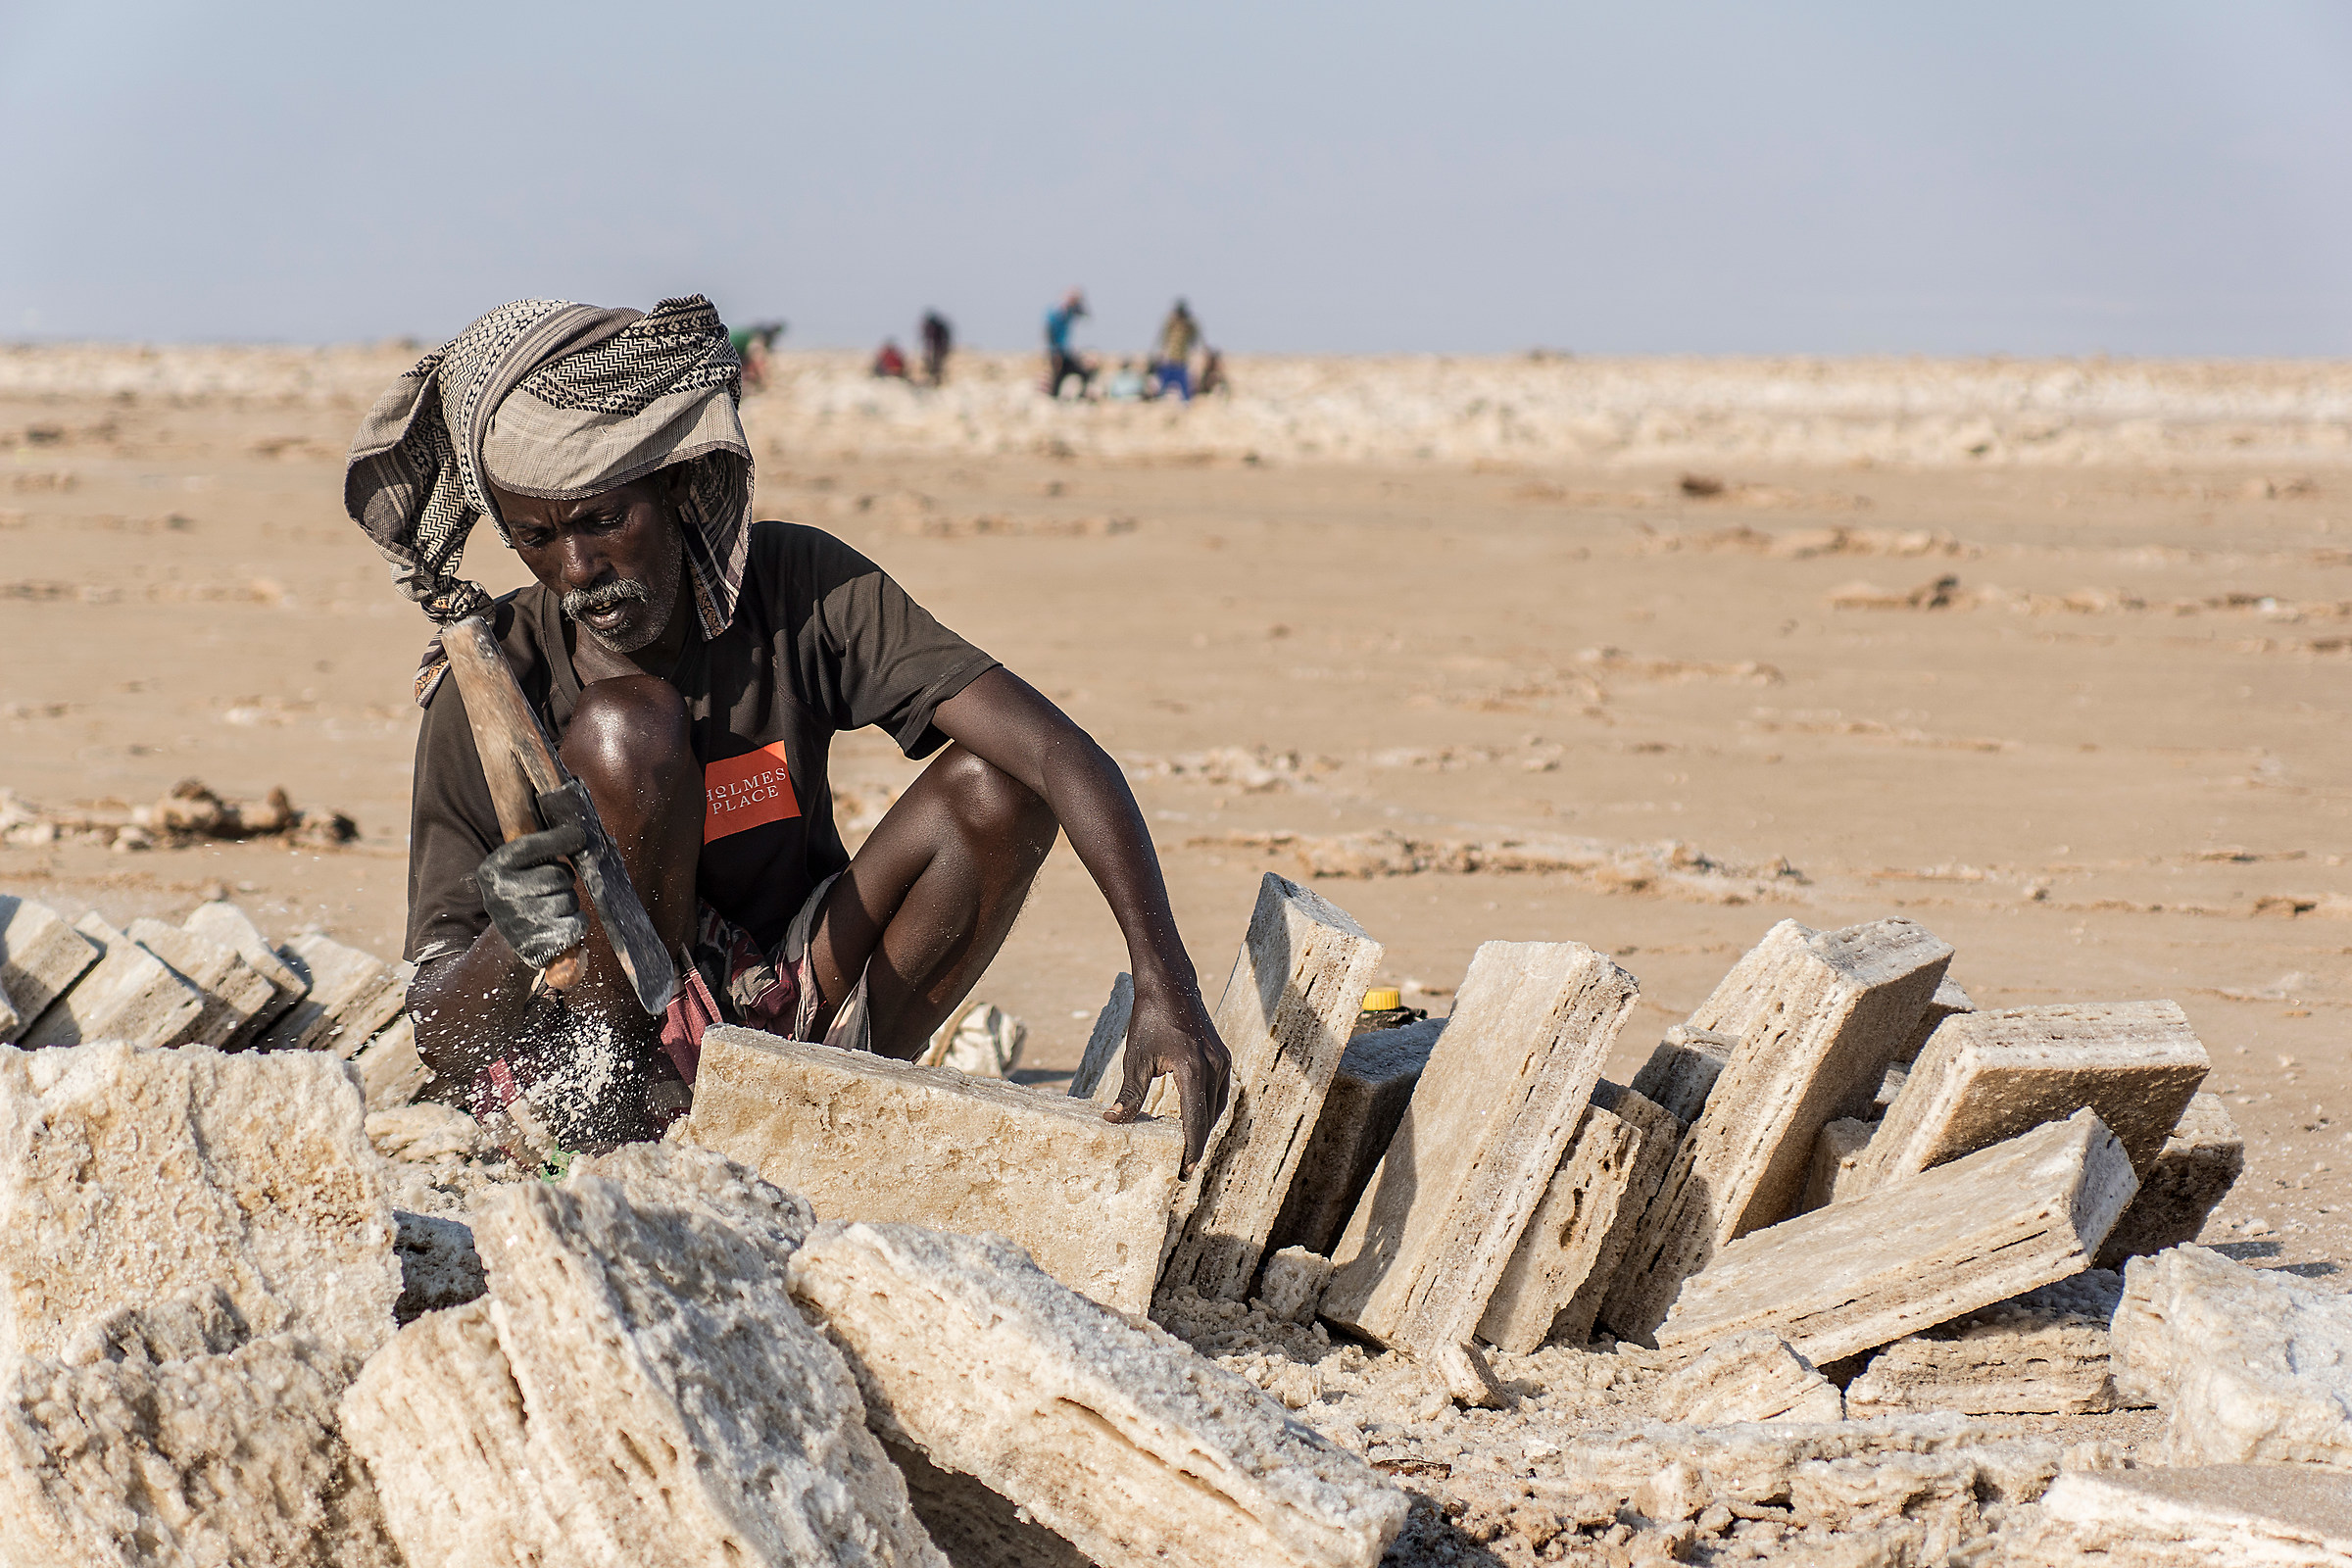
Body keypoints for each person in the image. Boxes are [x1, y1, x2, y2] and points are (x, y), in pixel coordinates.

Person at [344, 295, 1231, 1164]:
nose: (577, 568)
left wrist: (1165, 979)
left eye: (604, 520)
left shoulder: (794, 587)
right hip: (595, 1066)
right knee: (626, 733)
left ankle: (826, 1100)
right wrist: (513, 941)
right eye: (536, 537)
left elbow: (1054, 750)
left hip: (788, 1003)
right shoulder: (493, 683)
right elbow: (441, 1033)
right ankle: (636, 1123)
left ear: (679, 484)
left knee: (999, 784)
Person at [1044, 288, 1092, 398]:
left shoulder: (1070, 311)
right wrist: (1055, 352)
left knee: (1073, 373)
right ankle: (1053, 397)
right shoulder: (1055, 312)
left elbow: (1085, 314)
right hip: (1057, 351)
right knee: (1058, 374)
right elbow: (1049, 332)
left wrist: (1079, 301)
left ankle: (1059, 396)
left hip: (1065, 351)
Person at [1150, 299, 1200, 400]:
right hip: (1170, 357)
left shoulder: (1188, 324)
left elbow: (1194, 337)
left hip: (1182, 358)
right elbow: (1163, 338)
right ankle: (1161, 398)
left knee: (1183, 382)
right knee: (1165, 380)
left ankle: (1185, 399)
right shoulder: (1170, 323)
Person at [919, 311, 953, 386]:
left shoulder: (938, 328)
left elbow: (943, 339)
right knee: (931, 363)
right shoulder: (931, 327)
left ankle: (936, 380)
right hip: (934, 348)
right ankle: (932, 378)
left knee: (937, 364)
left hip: (938, 348)